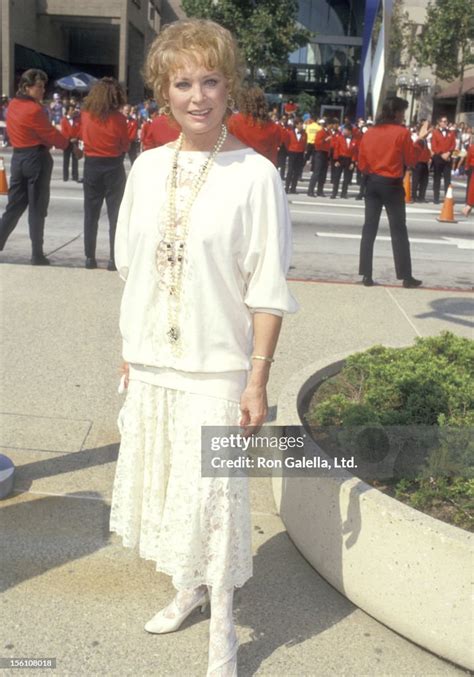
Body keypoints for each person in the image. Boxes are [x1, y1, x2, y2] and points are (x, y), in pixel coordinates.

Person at [109, 18, 298, 677]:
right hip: (152, 361)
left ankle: (224, 632)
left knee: (217, 500)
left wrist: (257, 379)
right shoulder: (147, 166)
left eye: (210, 80)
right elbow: (130, 267)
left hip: (218, 366)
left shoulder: (256, 176)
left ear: (231, 87)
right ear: (163, 91)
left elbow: (268, 290)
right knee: (169, 493)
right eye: (182, 82)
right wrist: (128, 349)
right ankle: (187, 589)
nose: (197, 95)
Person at [357, 96, 430, 288]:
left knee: (369, 228)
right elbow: (411, 160)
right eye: (402, 112)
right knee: (398, 230)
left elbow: (362, 162)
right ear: (396, 113)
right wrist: (420, 141)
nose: (403, 116)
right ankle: (406, 276)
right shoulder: (401, 132)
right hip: (391, 184)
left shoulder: (370, 132)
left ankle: (366, 274)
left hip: (372, 182)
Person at [0, 69, 69, 264]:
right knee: (37, 208)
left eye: (43, 86)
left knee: (13, 207)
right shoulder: (35, 110)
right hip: (35, 158)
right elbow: (49, 134)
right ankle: (36, 253)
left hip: (19, 157)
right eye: (39, 86)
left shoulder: (12, 105)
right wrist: (69, 145)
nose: (42, 90)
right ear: (26, 87)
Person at [79, 77, 130, 270]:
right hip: (113, 166)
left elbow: (82, 136)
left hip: (92, 164)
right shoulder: (119, 119)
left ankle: (89, 257)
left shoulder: (86, 115)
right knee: (115, 215)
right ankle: (112, 259)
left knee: (90, 214)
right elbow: (124, 144)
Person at [227, 86, 286, 166]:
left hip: (239, 167)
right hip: (264, 170)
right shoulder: (275, 128)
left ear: (243, 102)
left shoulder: (234, 121)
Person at [430, 116, 456, 204]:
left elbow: (453, 144)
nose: (445, 123)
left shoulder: (451, 133)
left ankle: (448, 198)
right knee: (437, 178)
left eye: (446, 121)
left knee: (447, 179)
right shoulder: (435, 132)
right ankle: (436, 198)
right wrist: (441, 154)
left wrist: (448, 153)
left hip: (448, 157)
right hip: (438, 157)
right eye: (443, 121)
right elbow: (434, 146)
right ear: (439, 123)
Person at [330, 123, 357, 199]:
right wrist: (336, 160)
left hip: (348, 160)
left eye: (345, 130)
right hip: (340, 159)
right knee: (337, 177)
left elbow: (355, 152)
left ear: (349, 131)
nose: (343, 131)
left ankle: (344, 193)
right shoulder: (340, 138)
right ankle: (334, 193)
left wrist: (353, 162)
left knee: (347, 178)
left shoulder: (354, 140)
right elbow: (336, 150)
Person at [307, 118, 331, 197]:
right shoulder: (320, 132)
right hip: (319, 153)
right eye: (330, 125)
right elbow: (317, 143)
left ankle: (320, 191)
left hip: (326, 153)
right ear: (327, 125)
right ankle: (310, 191)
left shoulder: (329, 132)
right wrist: (325, 140)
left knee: (323, 174)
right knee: (316, 173)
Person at [284, 117, 307, 193]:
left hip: (300, 153)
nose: (302, 126)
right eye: (300, 124)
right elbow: (287, 142)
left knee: (297, 171)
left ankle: (293, 188)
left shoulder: (304, 134)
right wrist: (289, 150)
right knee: (290, 171)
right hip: (292, 152)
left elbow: (304, 144)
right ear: (296, 125)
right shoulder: (290, 133)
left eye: (302, 124)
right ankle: (286, 187)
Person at [60, 104, 82, 182]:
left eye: (74, 110)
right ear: (68, 111)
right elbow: (64, 132)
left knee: (75, 160)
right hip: (67, 142)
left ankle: (75, 176)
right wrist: (69, 139)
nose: (73, 111)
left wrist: (76, 138)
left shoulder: (77, 120)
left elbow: (80, 129)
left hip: (75, 142)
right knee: (66, 160)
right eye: (71, 110)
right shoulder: (64, 120)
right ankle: (65, 176)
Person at [462, 142, 474, 217]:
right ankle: (469, 204)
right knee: (471, 186)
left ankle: (469, 204)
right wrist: (466, 167)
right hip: (472, 167)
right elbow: (468, 158)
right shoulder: (472, 147)